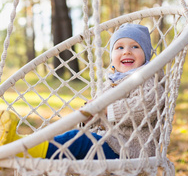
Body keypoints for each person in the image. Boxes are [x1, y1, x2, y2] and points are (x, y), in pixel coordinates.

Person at [0, 24, 164, 159]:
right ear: (112, 56)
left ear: (146, 55)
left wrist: (105, 110)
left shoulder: (148, 78)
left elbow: (146, 106)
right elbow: (97, 117)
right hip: (106, 145)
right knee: (69, 138)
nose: (127, 51)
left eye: (135, 46)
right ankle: (13, 146)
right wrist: (87, 118)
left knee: (78, 141)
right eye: (119, 47)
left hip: (128, 151)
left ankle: (17, 150)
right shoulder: (111, 82)